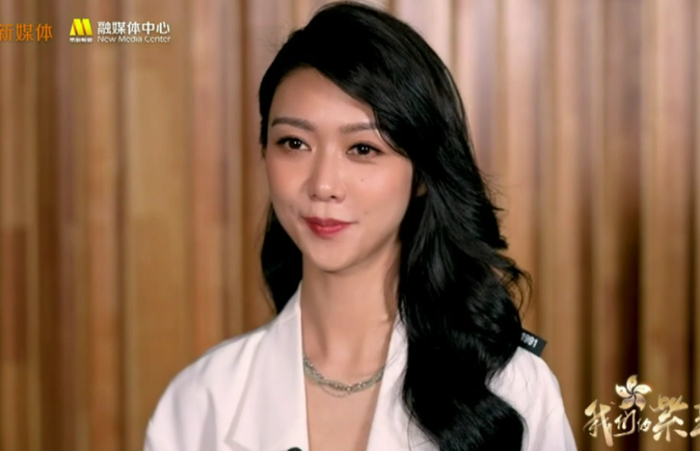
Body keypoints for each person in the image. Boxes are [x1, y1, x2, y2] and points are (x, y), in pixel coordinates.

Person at [143, 2, 578, 450]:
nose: (323, 185)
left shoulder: (513, 389)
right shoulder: (200, 402)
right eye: (294, 143)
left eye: (363, 149)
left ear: (422, 175)